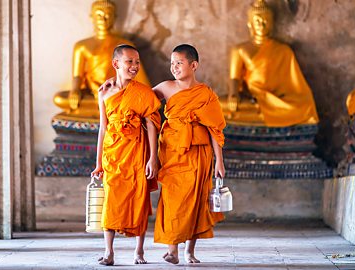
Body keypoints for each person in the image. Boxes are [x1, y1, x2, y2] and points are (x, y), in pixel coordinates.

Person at [153, 44, 226, 264]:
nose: (174, 67)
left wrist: (219, 162)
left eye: (179, 63)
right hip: (173, 151)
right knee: (173, 199)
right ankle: (172, 250)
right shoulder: (165, 88)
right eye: (172, 63)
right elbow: (139, 101)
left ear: (193, 65)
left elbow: (215, 130)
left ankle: (189, 251)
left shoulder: (206, 94)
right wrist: (115, 87)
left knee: (195, 200)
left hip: (199, 152)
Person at [90, 44, 161, 266]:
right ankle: (109, 252)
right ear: (116, 64)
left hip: (137, 153)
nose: (134, 66)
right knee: (110, 201)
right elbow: (103, 127)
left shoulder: (143, 92)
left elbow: (152, 126)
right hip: (113, 154)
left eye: (137, 62)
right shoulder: (104, 92)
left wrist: (153, 158)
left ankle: (139, 251)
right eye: (129, 61)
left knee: (139, 200)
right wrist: (98, 161)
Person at [53, 0, 150, 118]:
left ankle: (108, 106)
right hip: (93, 94)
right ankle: (106, 108)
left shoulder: (124, 44)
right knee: (59, 99)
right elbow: (77, 76)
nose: (103, 19)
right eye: (99, 15)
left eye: (107, 15)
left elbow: (140, 80)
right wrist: (75, 90)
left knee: (141, 100)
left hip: (119, 92)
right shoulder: (82, 46)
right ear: (92, 17)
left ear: (114, 17)